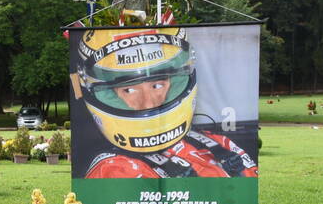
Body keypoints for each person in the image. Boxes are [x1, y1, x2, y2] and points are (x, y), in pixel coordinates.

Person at [74, 27, 257, 179]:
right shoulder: (113, 169)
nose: (149, 102)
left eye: (157, 84)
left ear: (176, 82)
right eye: (129, 90)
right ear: (106, 94)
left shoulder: (218, 144)